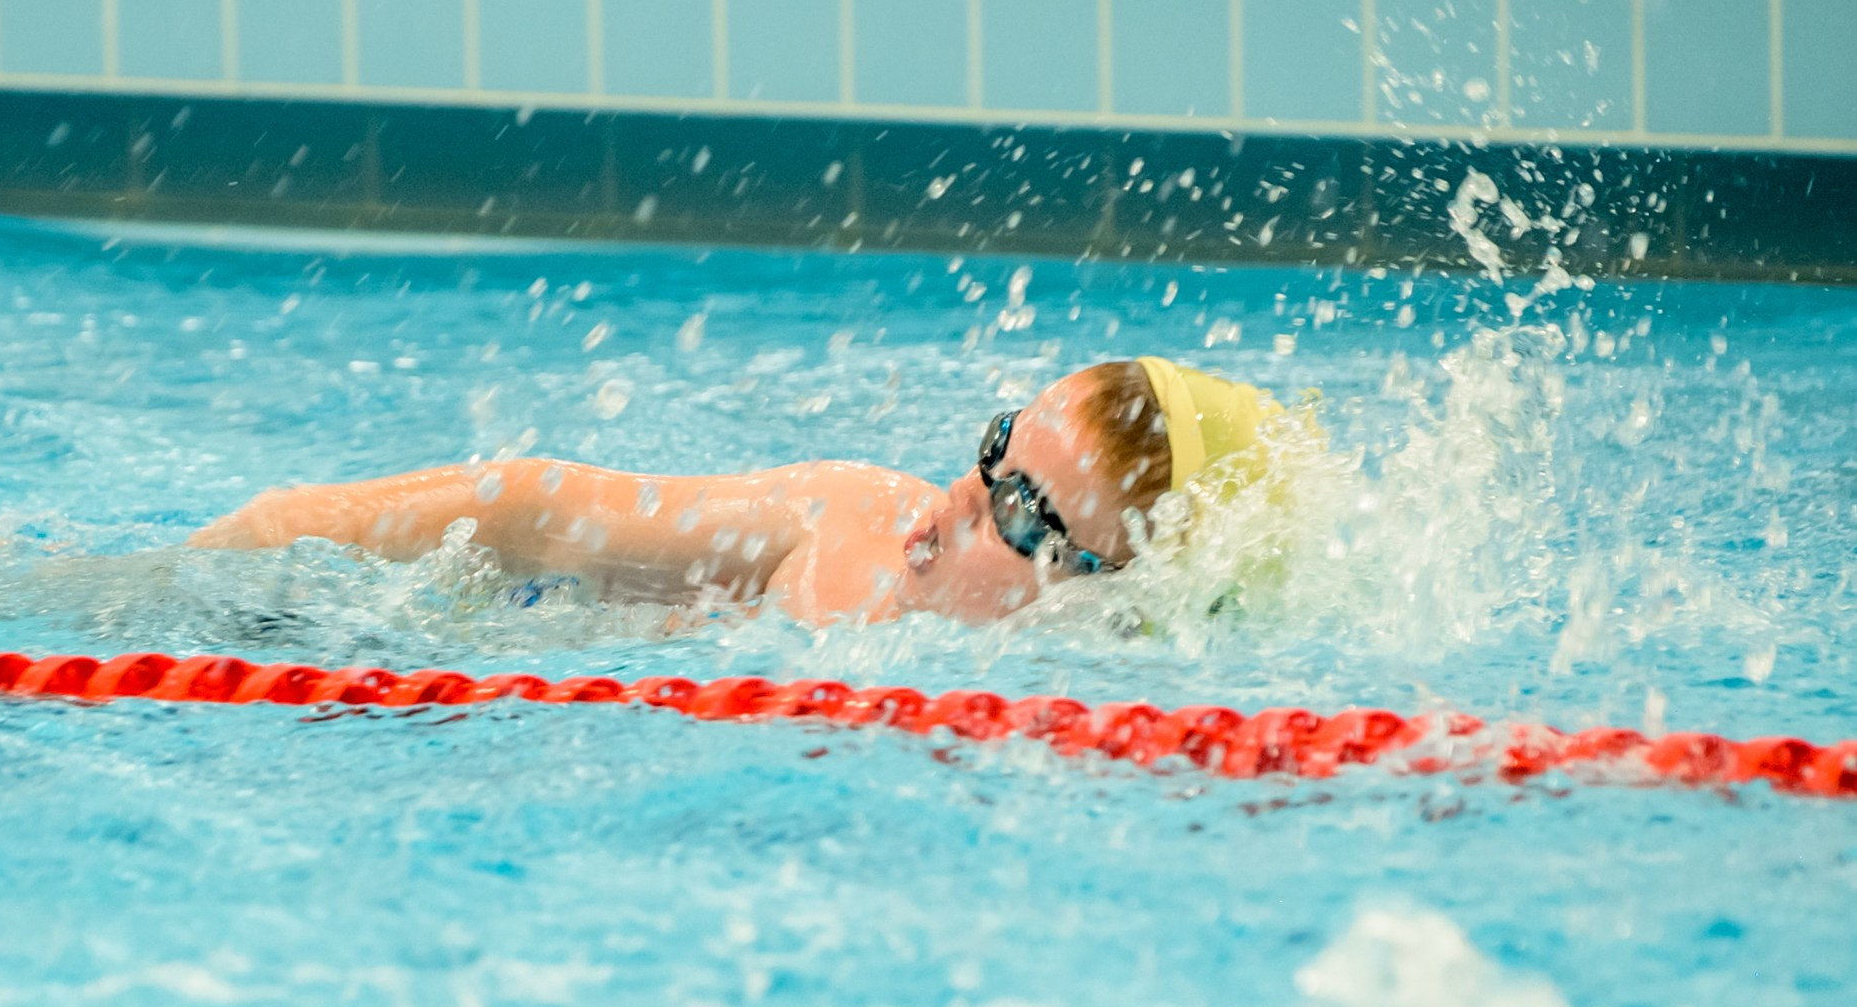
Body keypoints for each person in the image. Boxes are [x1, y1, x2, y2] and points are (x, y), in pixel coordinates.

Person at [190, 357, 1302, 626]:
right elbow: (527, 502)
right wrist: (277, 529)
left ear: (1113, 593)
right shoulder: (844, 529)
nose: (960, 499)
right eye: (990, 449)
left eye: (1022, 517)